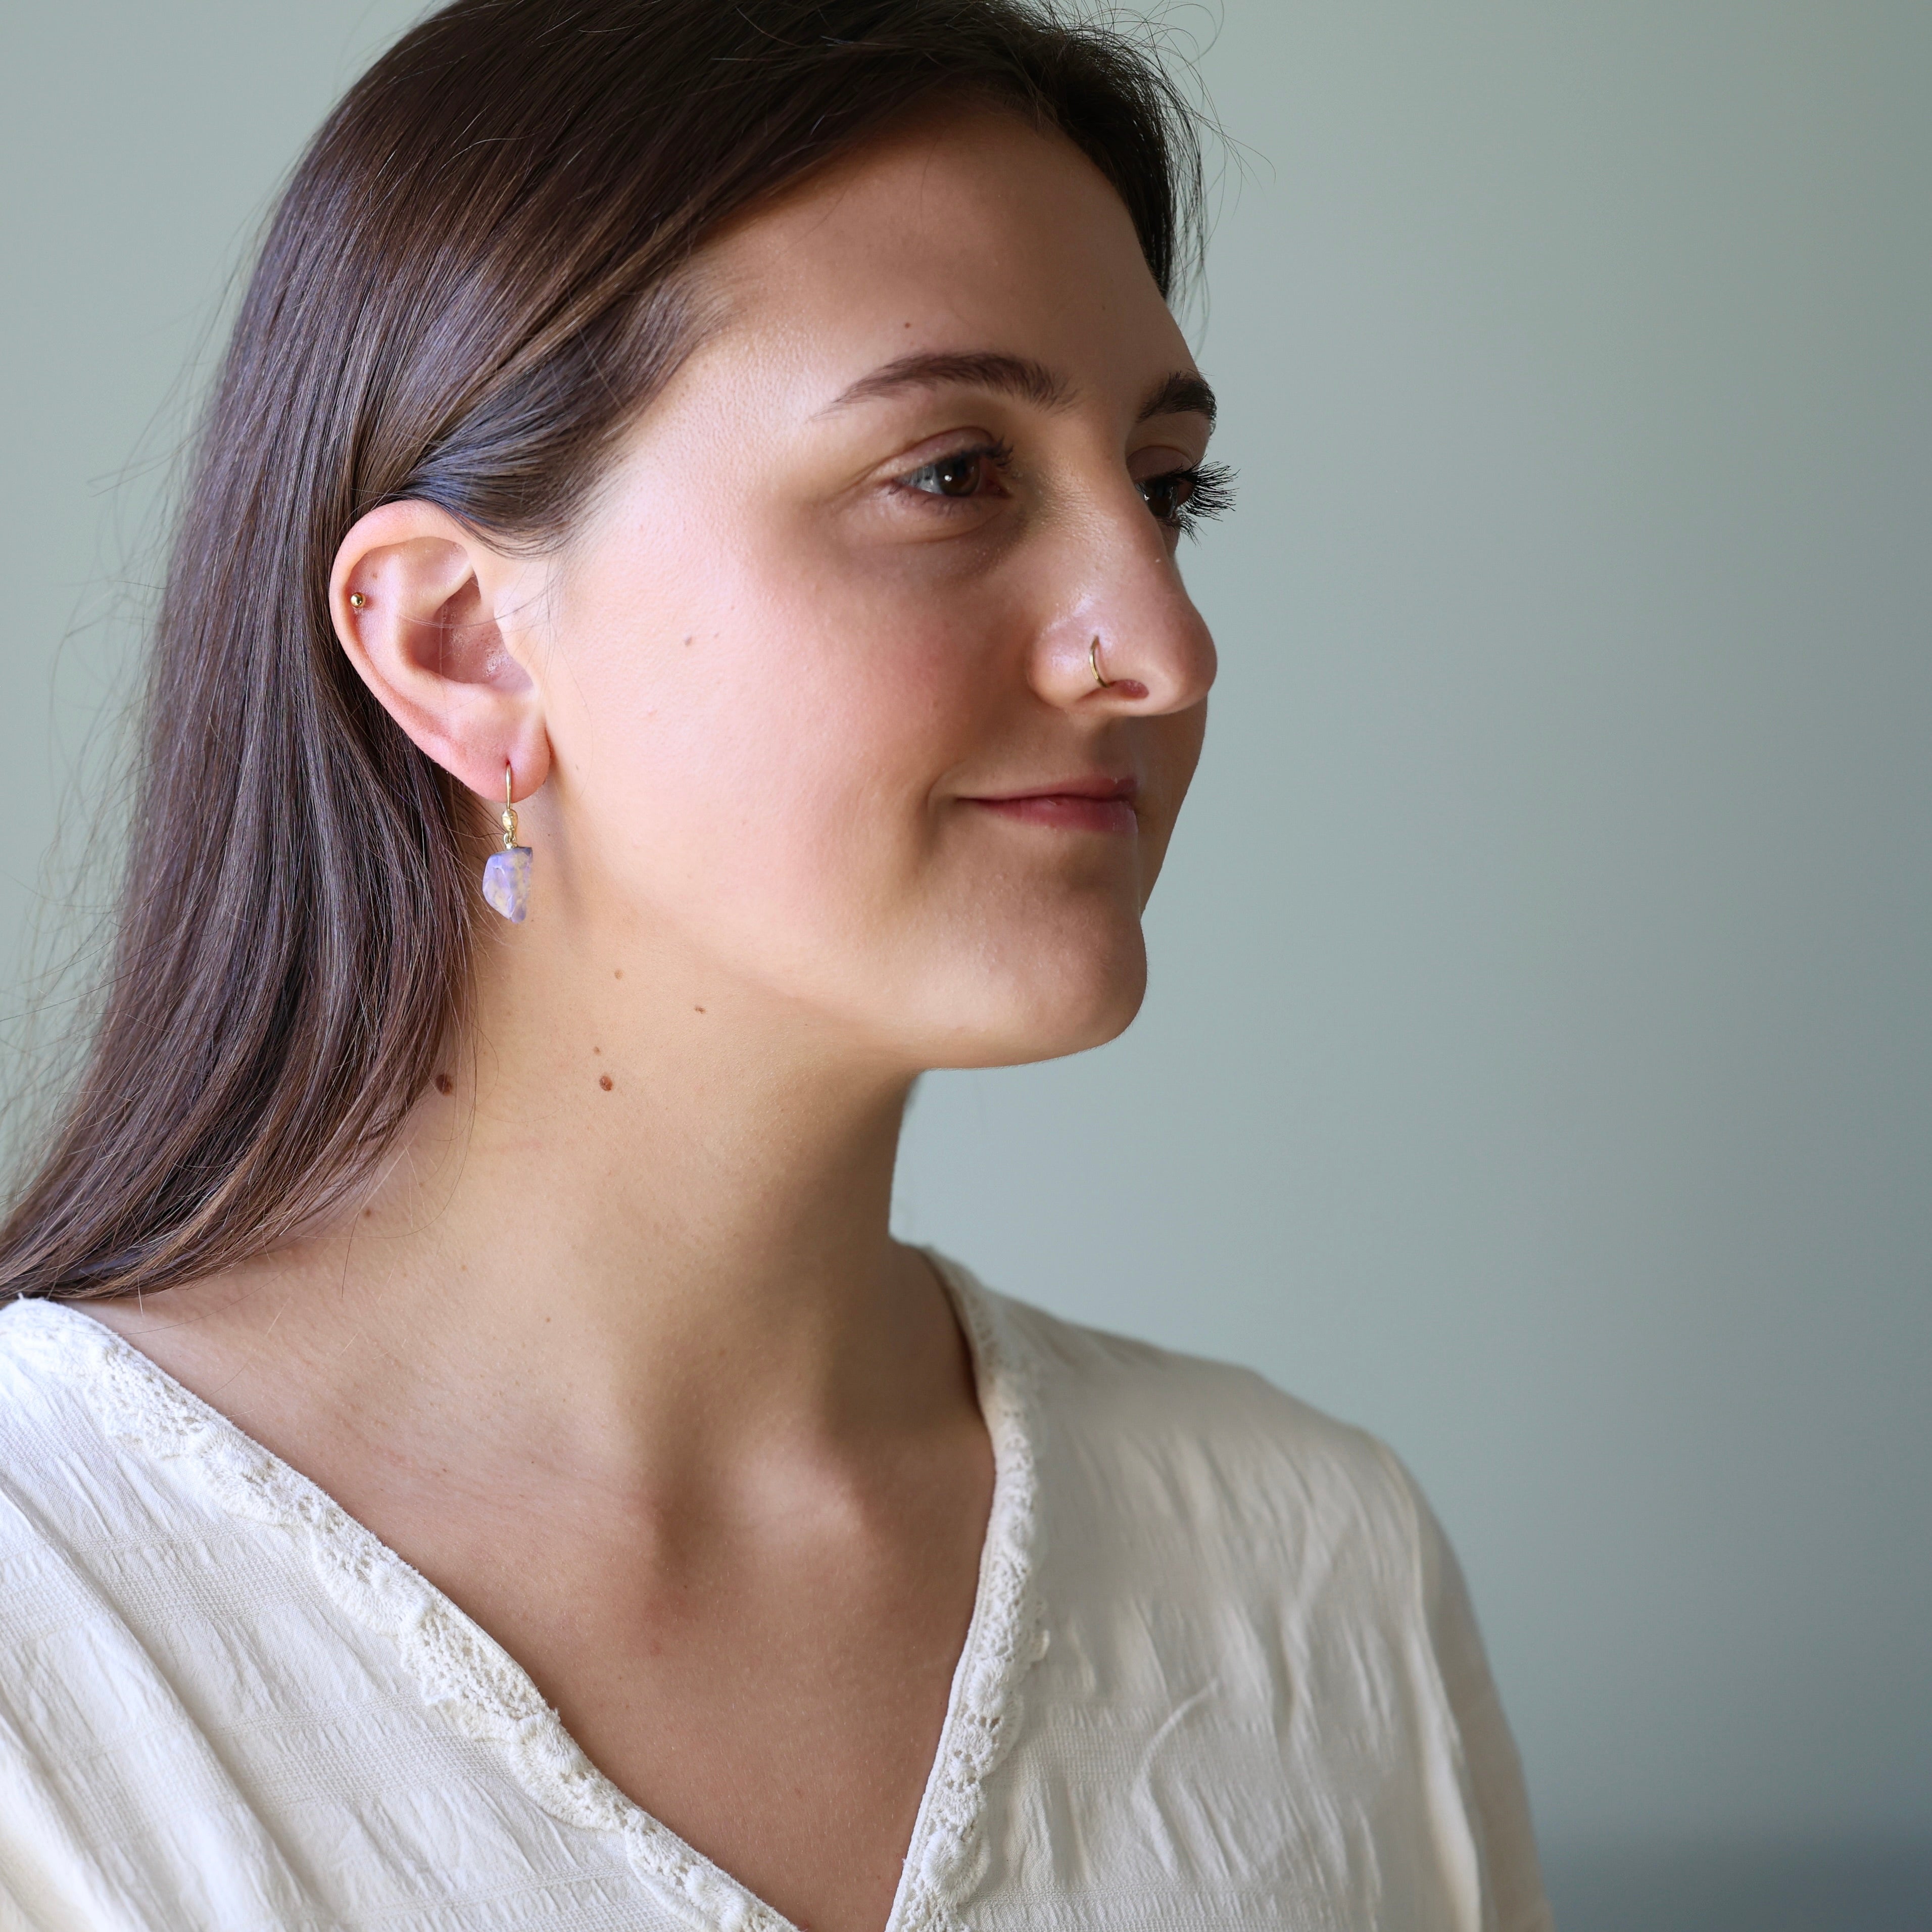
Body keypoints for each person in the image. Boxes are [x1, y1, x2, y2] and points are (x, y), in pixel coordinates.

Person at [0, 3, 1551, 1927]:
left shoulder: (1310, 1569)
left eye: (1169, 491)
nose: (1160, 643)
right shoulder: (47, 1618)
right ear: (465, 645)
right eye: (954, 474)